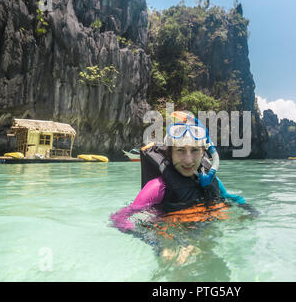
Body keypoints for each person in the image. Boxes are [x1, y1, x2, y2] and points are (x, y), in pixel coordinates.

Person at [111, 112, 258, 264]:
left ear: (203, 152)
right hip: (171, 240)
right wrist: (160, 243)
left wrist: (248, 211)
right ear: (170, 153)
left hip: (204, 235)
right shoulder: (157, 187)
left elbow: (232, 198)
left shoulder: (211, 180)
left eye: (194, 150)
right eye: (180, 150)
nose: (188, 160)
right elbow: (119, 219)